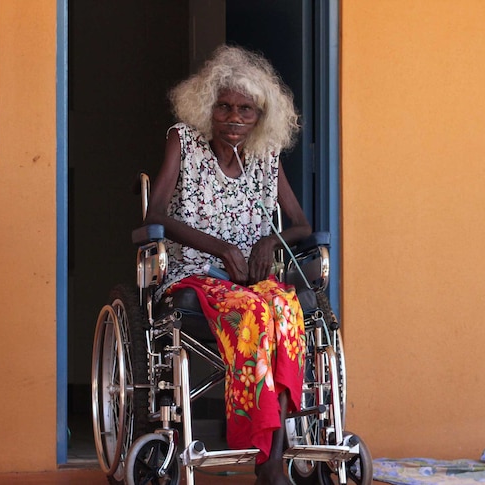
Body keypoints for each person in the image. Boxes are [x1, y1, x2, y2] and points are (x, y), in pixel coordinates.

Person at [144, 45, 312, 485]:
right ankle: (264, 457)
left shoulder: (264, 153)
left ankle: (272, 453)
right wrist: (220, 248)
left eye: (246, 110)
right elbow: (155, 216)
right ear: (206, 106)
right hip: (194, 276)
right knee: (256, 313)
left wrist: (265, 240)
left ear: (260, 116)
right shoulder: (183, 141)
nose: (234, 118)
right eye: (223, 107)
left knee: (286, 310)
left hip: (252, 281)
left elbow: (300, 225)